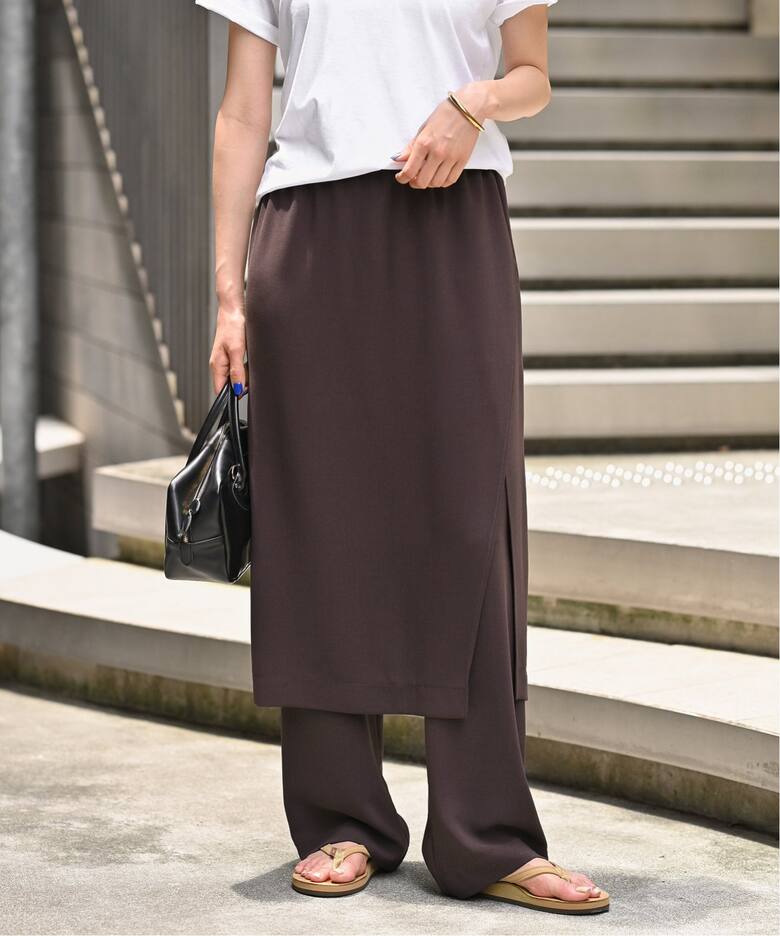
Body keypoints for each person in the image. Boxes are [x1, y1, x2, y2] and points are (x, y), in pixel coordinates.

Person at [196, 0, 609, 914]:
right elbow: (243, 111)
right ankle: (341, 820)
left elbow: (532, 76)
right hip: (310, 233)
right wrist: (230, 293)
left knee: (472, 522)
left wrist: (472, 106)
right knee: (322, 524)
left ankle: (486, 834)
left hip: (455, 221)